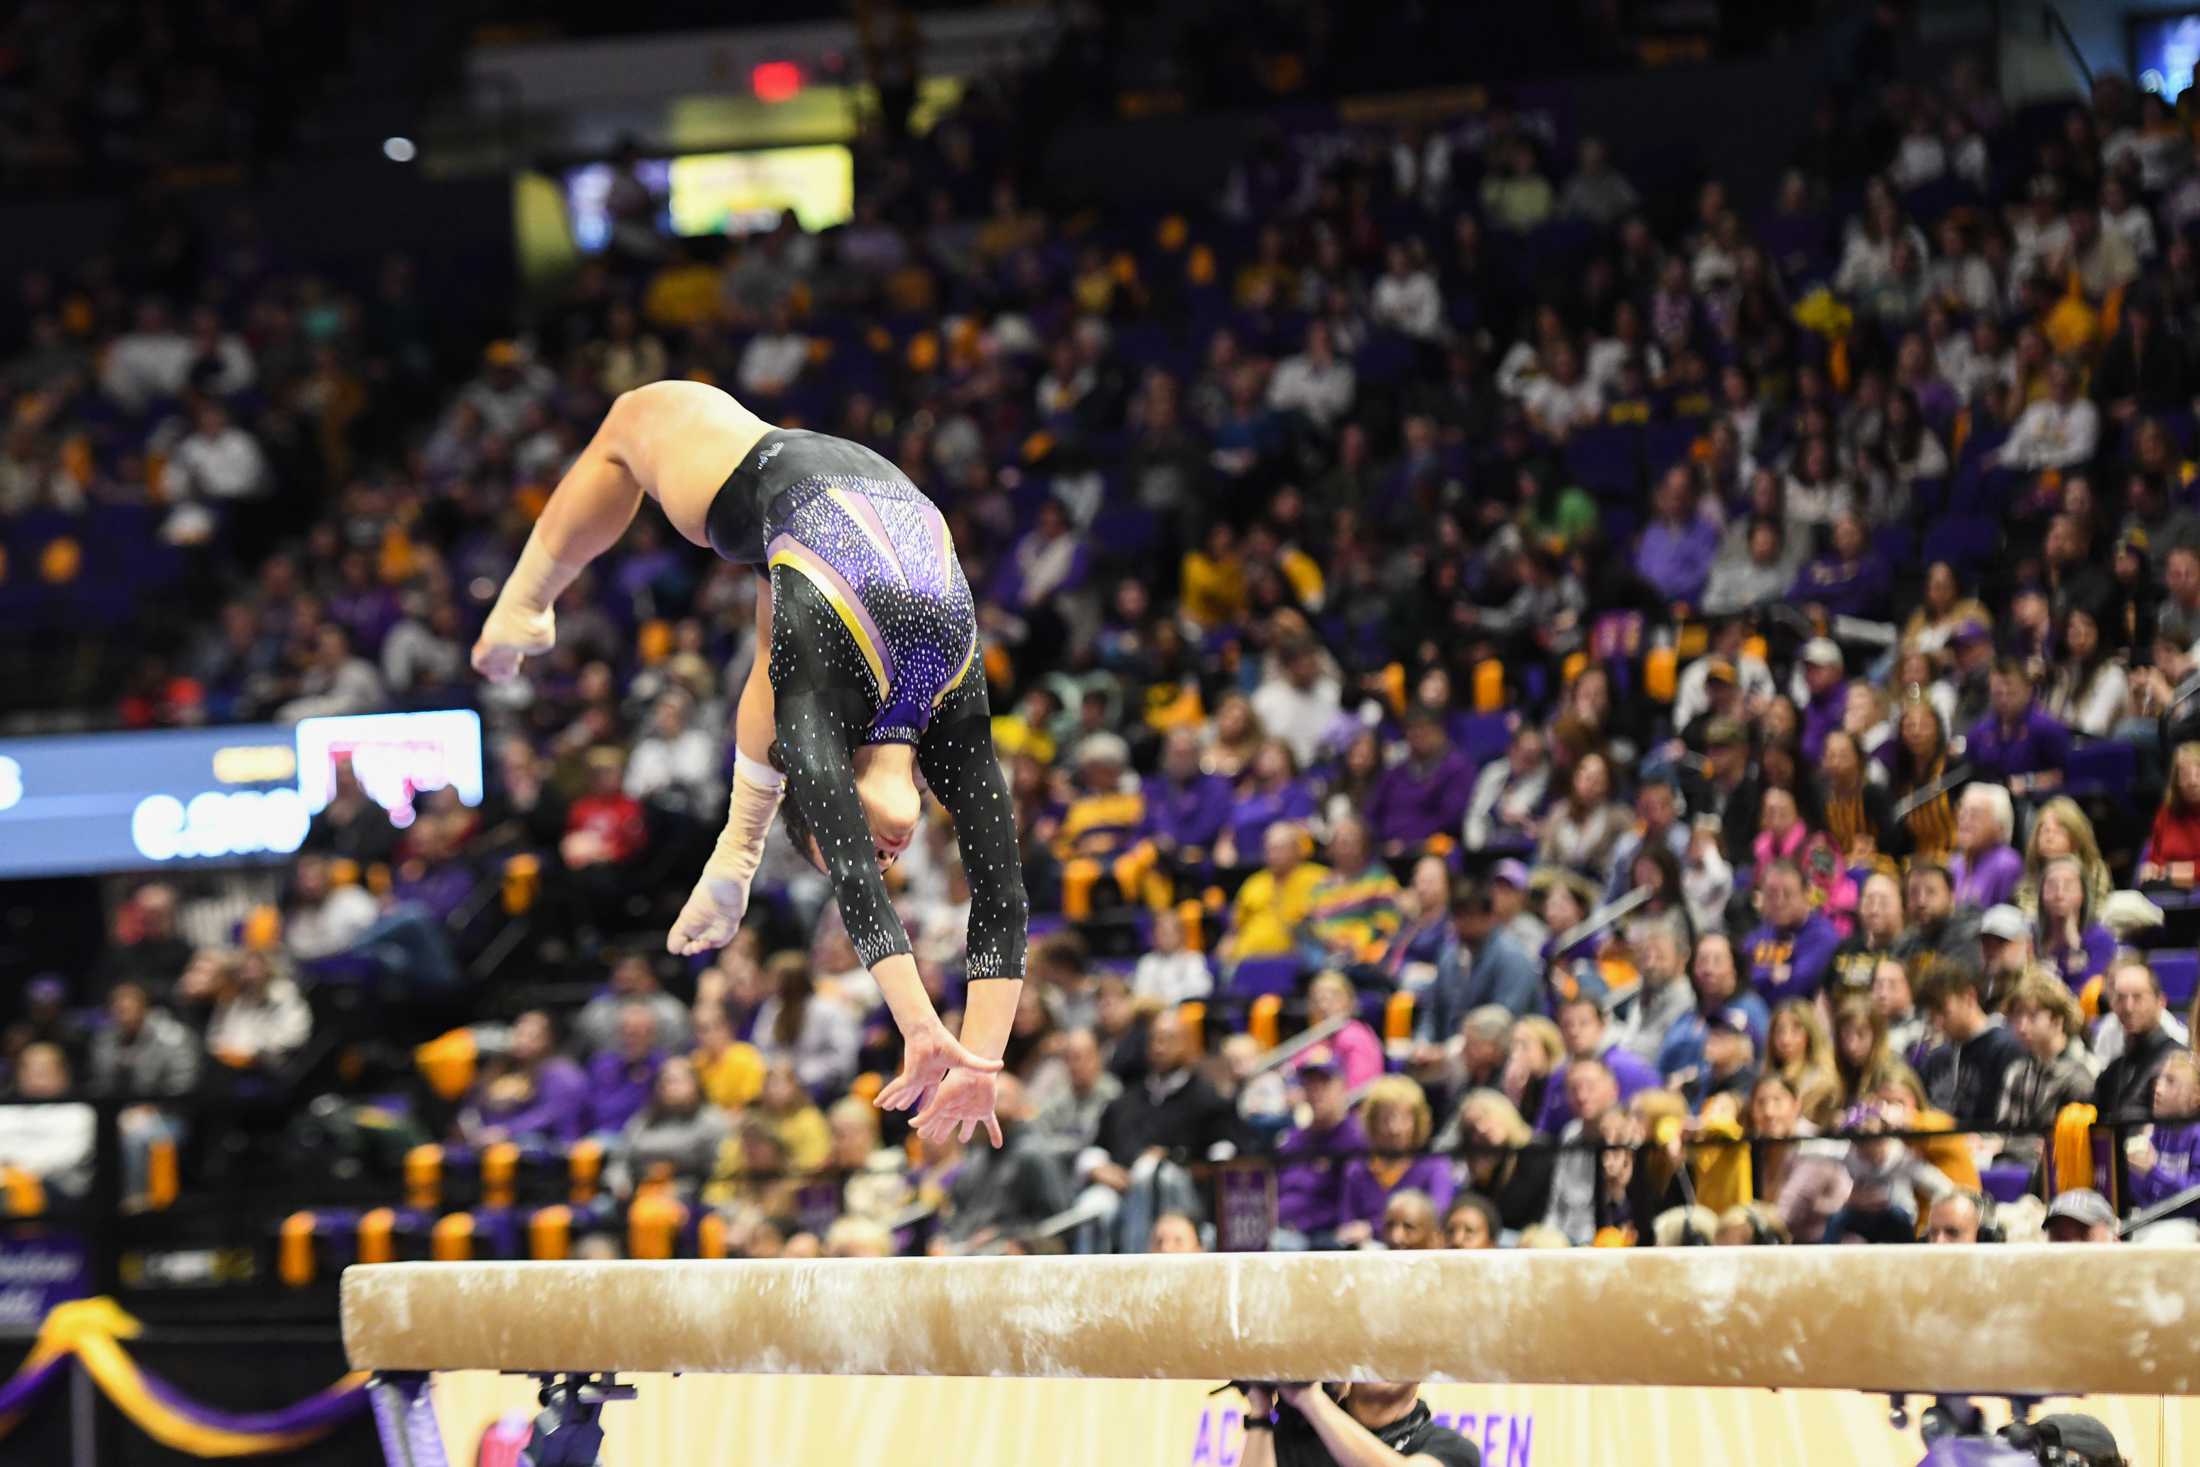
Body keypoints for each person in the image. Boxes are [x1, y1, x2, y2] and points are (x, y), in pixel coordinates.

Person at [470, 380, 1022, 1144]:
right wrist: (980, 1058)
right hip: (860, 492)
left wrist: (921, 1026)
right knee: (775, 633)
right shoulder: (952, 722)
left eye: (848, 848)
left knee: (632, 419)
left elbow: (858, 885)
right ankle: (732, 856)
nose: (881, 857)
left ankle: (524, 603)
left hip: (770, 475)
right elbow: (1001, 893)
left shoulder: (816, 719)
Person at [1240, 1380, 1481, 1467]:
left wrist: (1311, 1400)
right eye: (1375, 1350)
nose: (1384, 1363)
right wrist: (1260, 1412)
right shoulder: (1300, 1437)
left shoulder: (1453, 1449)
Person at [1271, 1050, 1367, 1250]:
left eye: (1324, 1082)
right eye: (1310, 1083)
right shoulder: (1291, 1140)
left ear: (1342, 1086)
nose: (1316, 1091)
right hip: (1281, 1229)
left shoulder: (1356, 1139)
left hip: (1324, 1237)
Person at [1917, 963, 2025, 1130]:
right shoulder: (1937, 1058)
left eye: (1943, 1011)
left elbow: (2007, 1120)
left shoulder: (2005, 1048)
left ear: (1969, 997)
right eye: (1932, 1016)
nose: (1938, 1023)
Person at [2094, 961, 2187, 1123]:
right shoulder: (2113, 1070)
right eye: (2120, 998)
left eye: (2138, 997)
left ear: (2160, 1002)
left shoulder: (2177, 1062)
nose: (2128, 1007)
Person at [1742, 861, 1841, 1004]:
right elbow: (1742, 983)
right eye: (1771, 895)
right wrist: (1771, 975)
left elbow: (1796, 988)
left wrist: (1763, 977)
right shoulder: (1758, 935)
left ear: (1806, 894)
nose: (1779, 902)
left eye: (1787, 894)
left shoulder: (1822, 936)